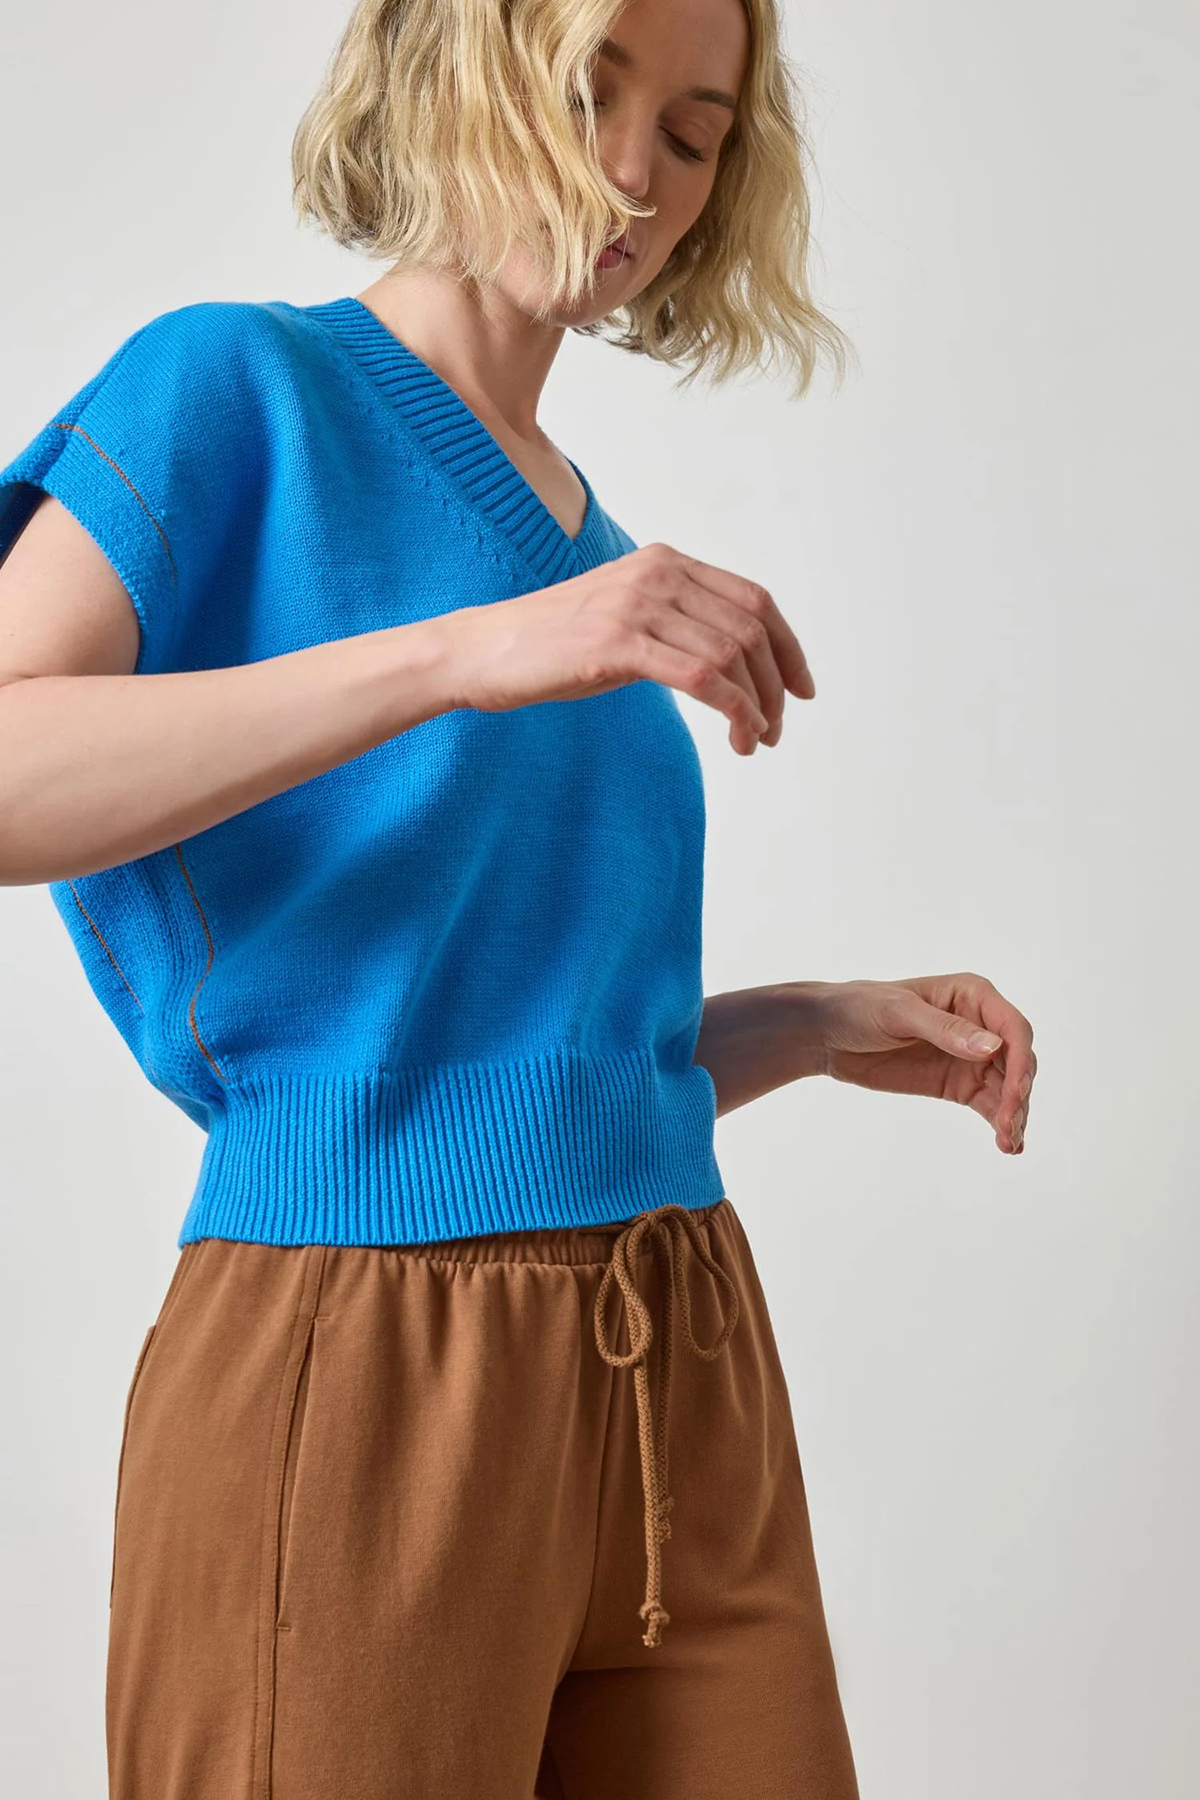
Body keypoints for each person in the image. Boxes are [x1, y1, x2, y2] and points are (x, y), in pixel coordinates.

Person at [0, 0, 1036, 1794]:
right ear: (449, 68)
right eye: (590, 89)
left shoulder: (590, 553)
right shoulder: (234, 390)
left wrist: (820, 1022)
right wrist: (477, 652)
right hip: (366, 1368)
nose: (635, 173)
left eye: (698, 136)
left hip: (681, 1357)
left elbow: (497, 1054)